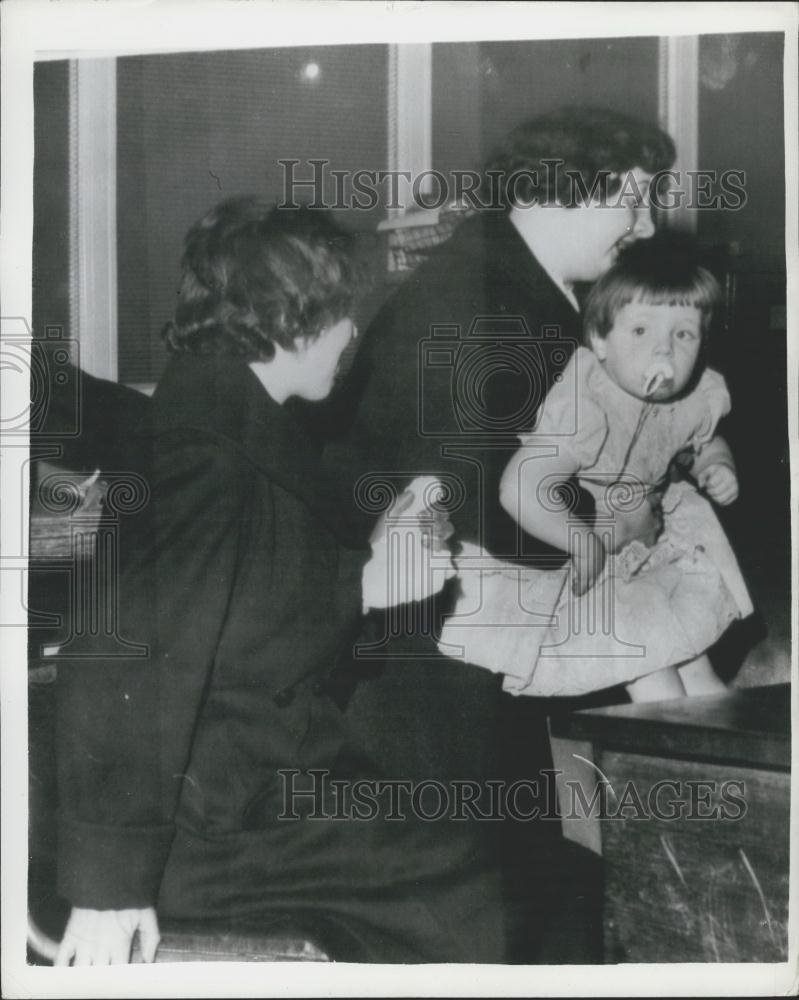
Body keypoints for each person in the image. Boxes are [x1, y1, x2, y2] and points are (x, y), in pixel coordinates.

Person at [53, 197, 469, 966]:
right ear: (293, 320)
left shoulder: (227, 419)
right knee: (498, 883)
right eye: (344, 313)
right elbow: (130, 664)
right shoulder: (204, 455)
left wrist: (366, 577)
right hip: (211, 830)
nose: (352, 335)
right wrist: (108, 890)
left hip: (242, 793)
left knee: (490, 858)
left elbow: (246, 608)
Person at [325, 107, 677, 961]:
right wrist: (627, 519)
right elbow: (475, 503)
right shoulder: (473, 302)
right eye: (630, 199)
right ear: (555, 192)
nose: (646, 224)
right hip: (425, 687)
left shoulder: (514, 287)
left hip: (470, 657)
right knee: (498, 917)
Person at [481, 235, 753, 701]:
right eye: (641, 331)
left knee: (703, 680)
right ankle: (666, 772)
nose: (664, 353)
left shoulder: (693, 396)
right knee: (657, 685)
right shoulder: (588, 400)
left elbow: (703, 441)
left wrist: (718, 465)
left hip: (657, 553)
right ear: (601, 341)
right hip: (600, 572)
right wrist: (580, 541)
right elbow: (521, 487)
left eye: (683, 334)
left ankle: (731, 771)